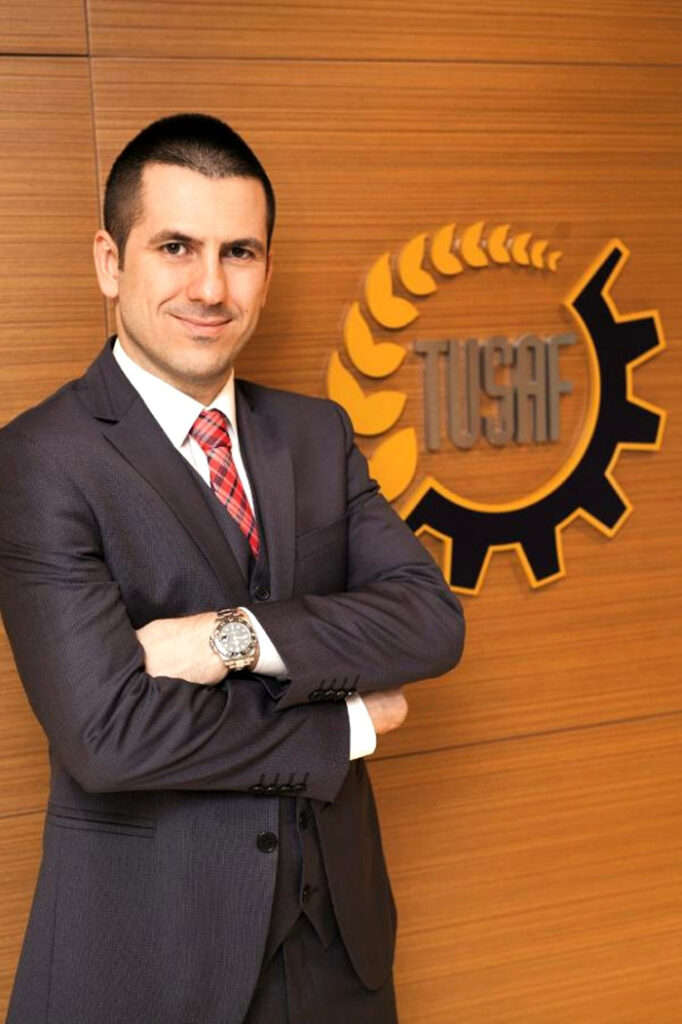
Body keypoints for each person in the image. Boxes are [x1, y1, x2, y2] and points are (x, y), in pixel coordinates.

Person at [0, 113, 464, 1024]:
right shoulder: (40, 459)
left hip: (340, 952)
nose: (210, 287)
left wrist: (232, 638)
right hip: (150, 959)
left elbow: (428, 620)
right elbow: (108, 736)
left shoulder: (315, 433)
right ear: (109, 262)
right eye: (176, 247)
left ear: (266, 270)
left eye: (238, 253)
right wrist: (343, 727)